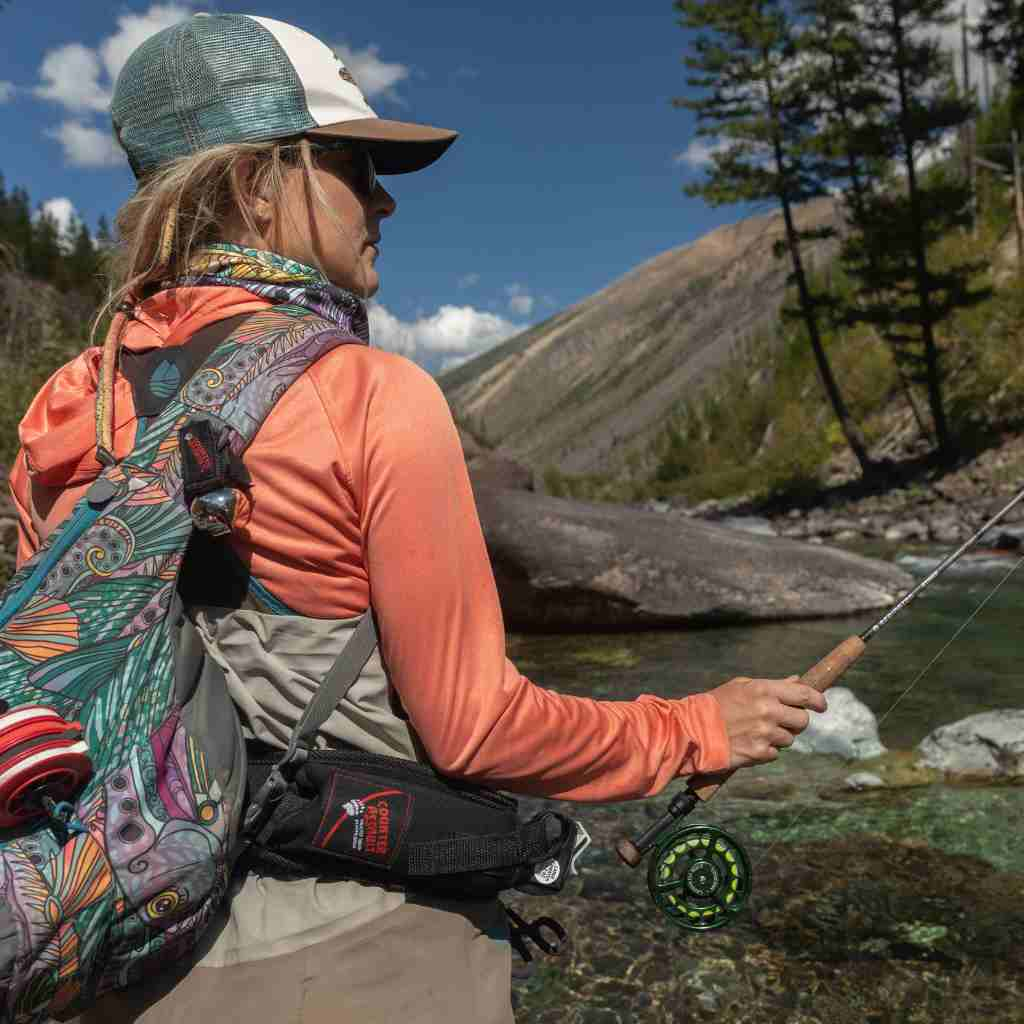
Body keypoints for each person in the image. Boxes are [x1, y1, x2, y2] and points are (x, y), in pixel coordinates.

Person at [8, 13, 827, 1024]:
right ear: (259, 184)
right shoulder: (370, 394)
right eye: (353, 163)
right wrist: (695, 727)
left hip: (112, 956)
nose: (383, 198)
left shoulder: (62, 410)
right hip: (353, 954)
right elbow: (479, 729)